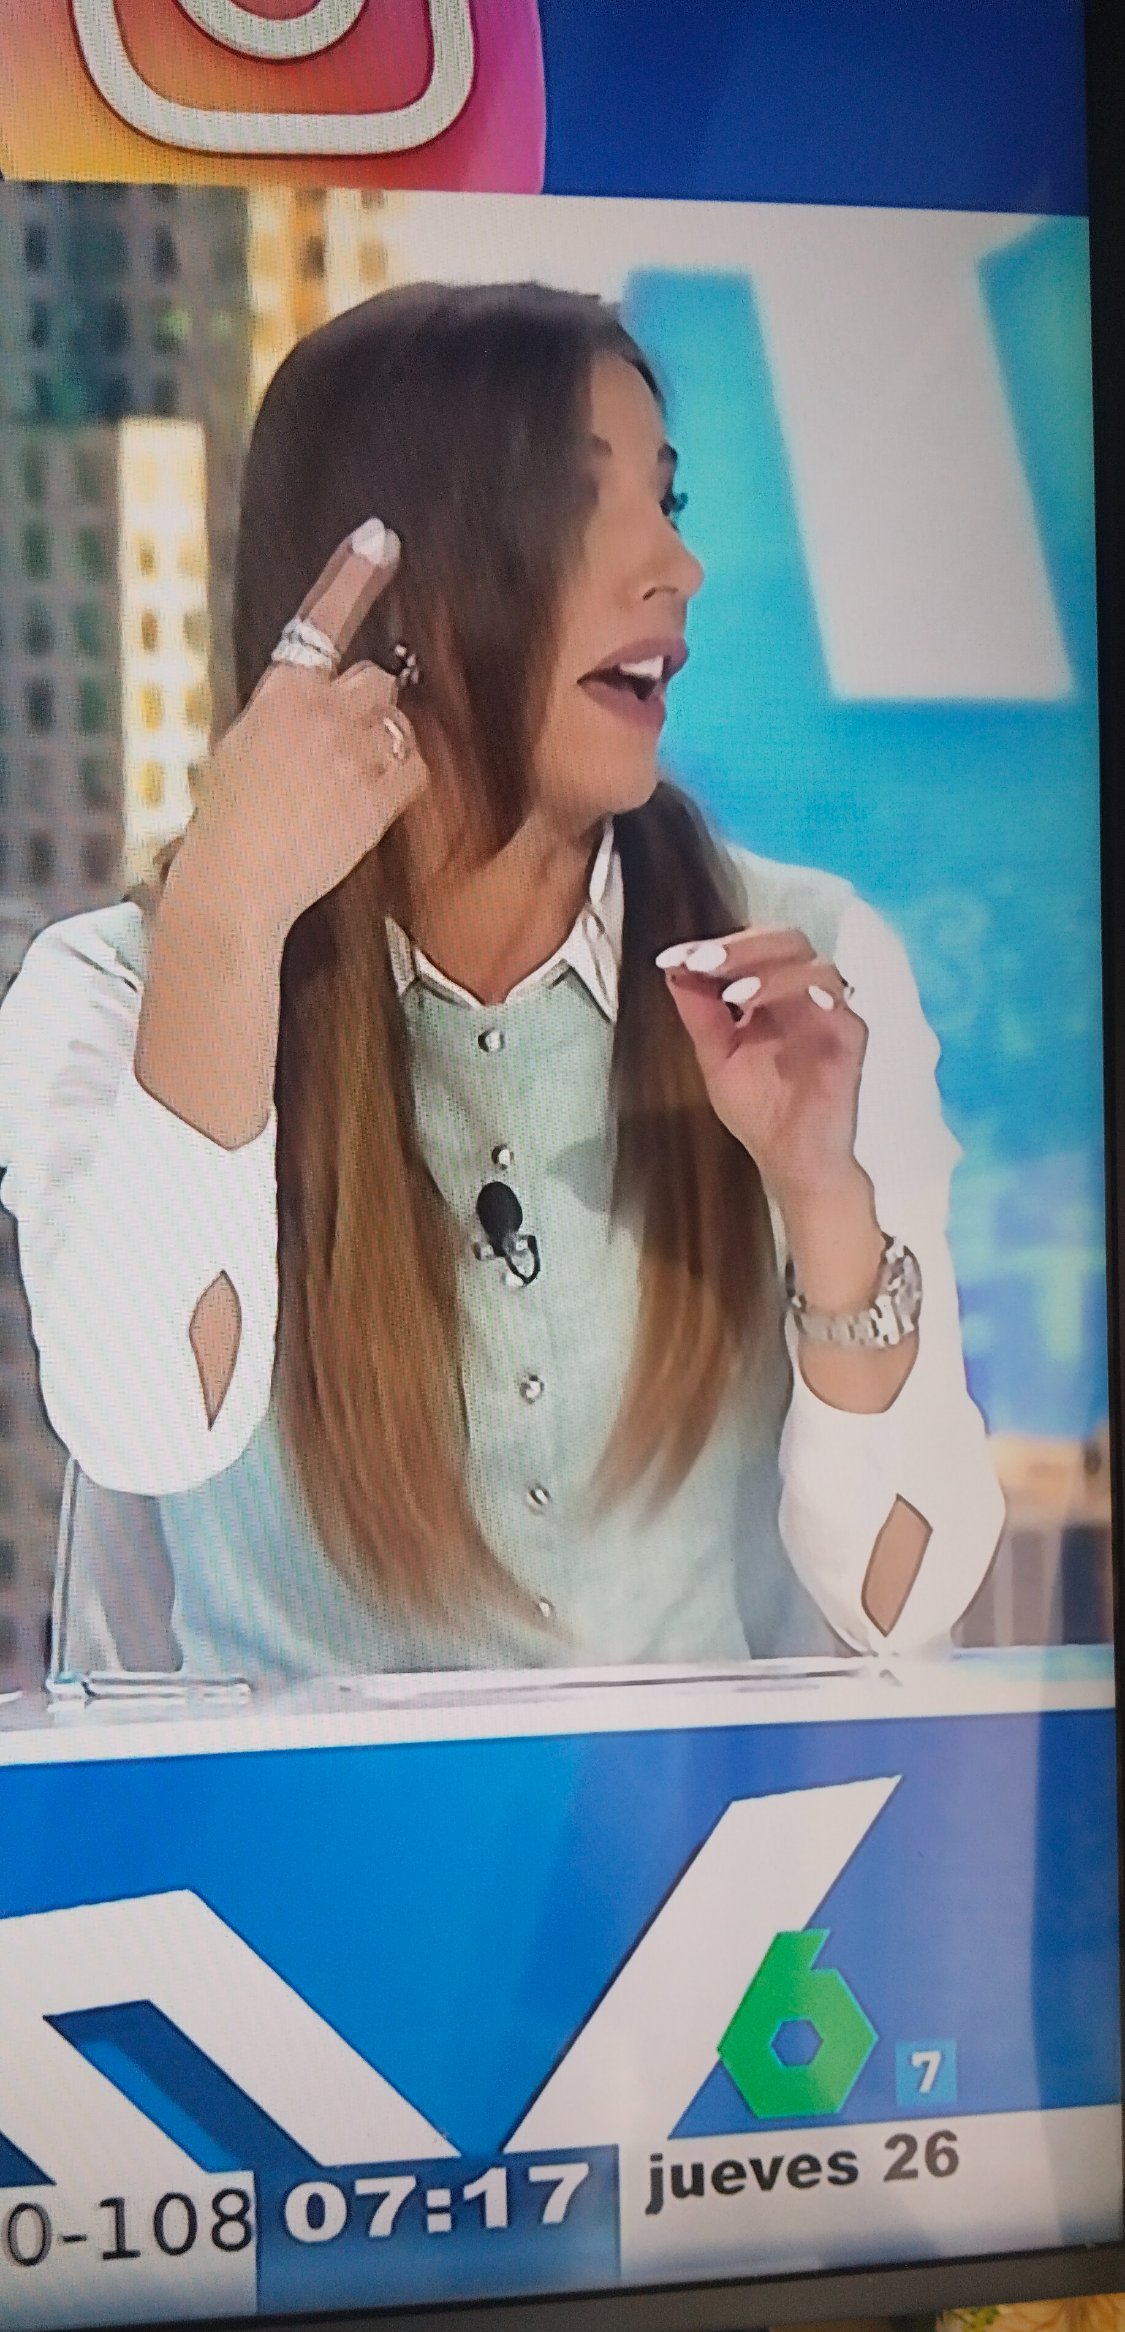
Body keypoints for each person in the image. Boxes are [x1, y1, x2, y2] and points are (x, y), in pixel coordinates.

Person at [0, 282, 1003, 1687]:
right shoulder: (110, 991)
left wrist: (825, 1201)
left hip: (698, 1827)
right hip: (282, 1831)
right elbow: (151, 1433)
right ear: (392, 588)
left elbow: (906, 1607)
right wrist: (226, 920)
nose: (675, 568)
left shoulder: (799, 961)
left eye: (668, 501)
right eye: (584, 503)